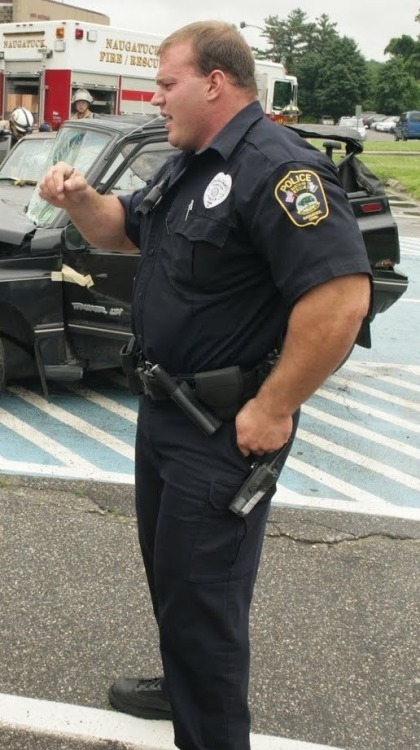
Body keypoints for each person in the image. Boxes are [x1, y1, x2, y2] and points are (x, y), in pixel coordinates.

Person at [38, 20, 371, 750]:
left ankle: (210, 727)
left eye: (166, 84)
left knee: (206, 599)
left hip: (223, 427)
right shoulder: (191, 161)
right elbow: (124, 230)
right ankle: (180, 680)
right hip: (164, 414)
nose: (158, 99)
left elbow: (342, 296)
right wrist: (79, 200)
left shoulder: (279, 168)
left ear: (214, 83)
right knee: (175, 579)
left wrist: (275, 407)